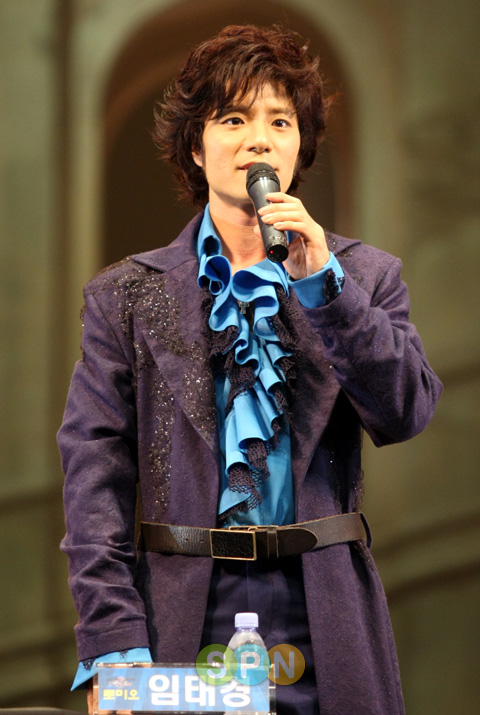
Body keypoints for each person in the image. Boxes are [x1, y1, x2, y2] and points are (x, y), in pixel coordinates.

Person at [58, 24, 442, 714]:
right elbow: (95, 478)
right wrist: (112, 640)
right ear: (196, 145)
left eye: (279, 121)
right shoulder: (126, 296)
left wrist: (325, 288)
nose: (258, 140)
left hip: (323, 610)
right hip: (180, 614)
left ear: (300, 147)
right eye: (233, 119)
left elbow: (406, 409)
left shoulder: (363, 277)